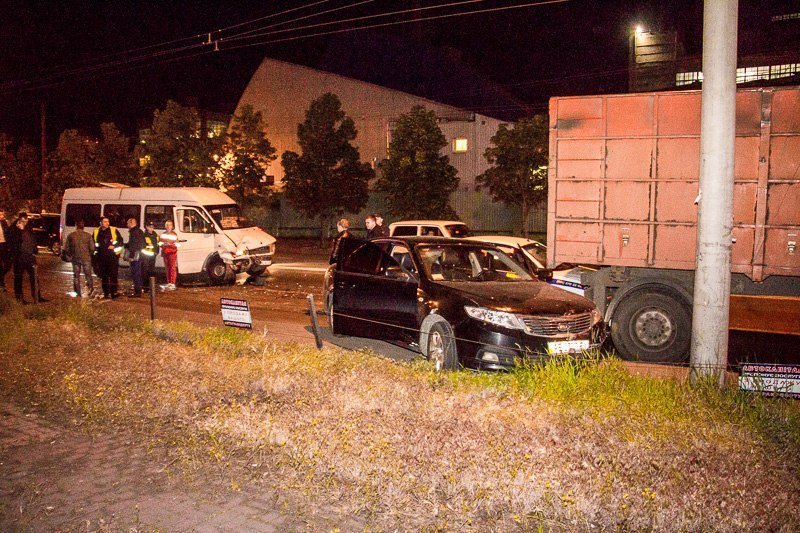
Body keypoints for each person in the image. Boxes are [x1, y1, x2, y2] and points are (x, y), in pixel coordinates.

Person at [8, 213, 46, 303]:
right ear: (20, 219)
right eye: (24, 220)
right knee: (18, 278)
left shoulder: (28, 227)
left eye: (27, 220)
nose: (26, 222)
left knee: (34, 277)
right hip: (19, 256)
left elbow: (32, 239)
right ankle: (19, 298)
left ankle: (37, 296)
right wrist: (20, 230)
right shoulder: (13, 228)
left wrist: (34, 250)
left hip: (29, 256)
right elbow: (14, 241)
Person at [93, 216, 124, 299]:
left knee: (113, 275)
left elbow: (120, 241)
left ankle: (114, 292)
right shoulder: (96, 231)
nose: (107, 223)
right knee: (104, 276)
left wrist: (114, 246)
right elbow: (94, 244)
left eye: (108, 221)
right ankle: (106, 293)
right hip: (101, 257)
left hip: (112, 256)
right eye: (105, 221)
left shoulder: (114, 230)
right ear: (100, 223)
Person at [63, 219, 95, 297]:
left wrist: (70, 255)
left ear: (76, 226)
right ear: (83, 226)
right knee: (88, 275)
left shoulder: (71, 235)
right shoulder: (88, 236)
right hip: (86, 258)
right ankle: (90, 290)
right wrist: (89, 254)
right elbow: (92, 248)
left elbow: (66, 248)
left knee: (76, 276)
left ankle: (77, 292)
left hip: (75, 258)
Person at [124, 217, 146, 297]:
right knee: (138, 273)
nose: (127, 224)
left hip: (136, 257)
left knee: (136, 274)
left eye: (128, 223)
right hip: (139, 256)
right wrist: (126, 245)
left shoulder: (134, 232)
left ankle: (137, 292)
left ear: (132, 223)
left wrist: (131, 256)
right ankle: (138, 290)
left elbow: (134, 245)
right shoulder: (139, 231)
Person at [158, 219, 178, 291]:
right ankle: (169, 282)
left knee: (172, 268)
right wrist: (163, 244)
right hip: (165, 252)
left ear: (172, 226)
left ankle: (172, 283)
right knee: (167, 268)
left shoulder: (174, 234)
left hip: (172, 253)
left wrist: (169, 244)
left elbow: (177, 244)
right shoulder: (163, 234)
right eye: (167, 225)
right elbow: (159, 243)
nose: (168, 226)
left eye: (169, 225)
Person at [141, 220, 160, 291]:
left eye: (152, 227)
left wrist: (156, 252)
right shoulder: (144, 235)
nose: (151, 228)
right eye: (150, 227)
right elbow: (142, 245)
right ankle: (145, 287)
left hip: (153, 256)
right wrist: (147, 244)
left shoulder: (155, 235)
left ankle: (151, 287)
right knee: (145, 272)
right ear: (146, 227)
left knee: (151, 271)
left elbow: (157, 245)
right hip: (146, 256)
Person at [0, 209, 10, 292]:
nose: (2, 216)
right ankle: (1, 283)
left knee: (8, 263)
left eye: (2, 215)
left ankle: (1, 276)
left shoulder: (4, 223)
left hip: (4, 245)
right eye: (0, 215)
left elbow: (8, 233)